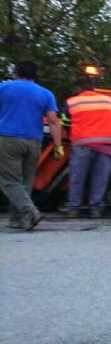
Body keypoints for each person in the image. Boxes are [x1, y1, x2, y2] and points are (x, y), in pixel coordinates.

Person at [0, 61, 63, 230]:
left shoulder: (3, 88)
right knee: (25, 182)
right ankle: (17, 220)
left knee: (8, 181)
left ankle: (31, 212)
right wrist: (58, 145)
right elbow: (53, 121)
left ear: (16, 72)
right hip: (34, 141)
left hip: (8, 139)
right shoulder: (46, 94)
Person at [61, 77, 111, 218]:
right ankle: (95, 209)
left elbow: (65, 123)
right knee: (100, 179)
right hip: (104, 146)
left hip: (81, 145)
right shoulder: (108, 101)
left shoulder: (72, 102)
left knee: (77, 177)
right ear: (93, 87)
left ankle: (74, 209)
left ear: (79, 88)